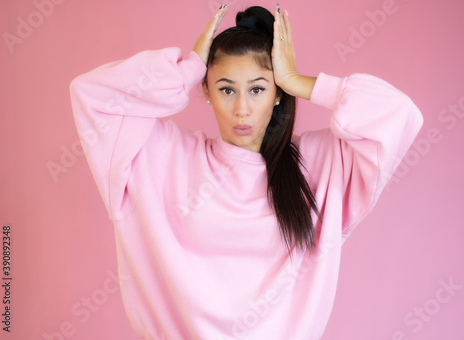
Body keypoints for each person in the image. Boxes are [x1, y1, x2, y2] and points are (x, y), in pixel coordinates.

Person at [70, 4, 423, 340]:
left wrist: (299, 81)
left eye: (258, 89)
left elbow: (399, 114)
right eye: (226, 89)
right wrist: (188, 69)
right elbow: (92, 95)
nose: (242, 108)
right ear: (206, 91)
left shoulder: (319, 166)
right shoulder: (162, 157)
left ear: (277, 94)